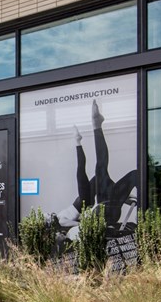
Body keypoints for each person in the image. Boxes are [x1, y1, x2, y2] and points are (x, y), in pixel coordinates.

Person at [55, 100, 139, 237]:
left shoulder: (63, 221)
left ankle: (90, 131)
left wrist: (128, 197)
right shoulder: (63, 224)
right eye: (46, 217)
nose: (46, 215)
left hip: (103, 204)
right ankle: (94, 128)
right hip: (106, 211)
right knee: (97, 169)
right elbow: (78, 224)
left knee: (130, 173)